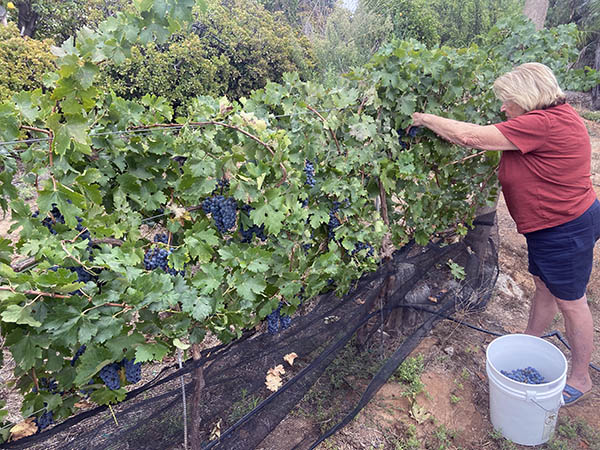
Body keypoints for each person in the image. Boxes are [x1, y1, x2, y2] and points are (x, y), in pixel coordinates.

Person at [411, 62, 598, 406]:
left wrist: (424, 119)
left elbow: (470, 137)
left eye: (507, 100)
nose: (502, 107)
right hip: (557, 224)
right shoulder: (559, 116)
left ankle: (581, 377)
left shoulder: (541, 123)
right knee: (545, 285)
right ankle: (531, 340)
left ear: (527, 98)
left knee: (572, 303)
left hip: (564, 228)